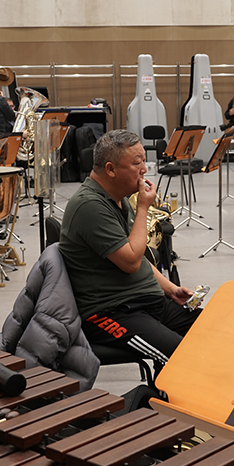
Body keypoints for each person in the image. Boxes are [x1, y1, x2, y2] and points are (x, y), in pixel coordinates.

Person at [60, 130, 199, 365]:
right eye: (137, 163)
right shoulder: (89, 205)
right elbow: (132, 262)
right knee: (182, 359)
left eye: (144, 160)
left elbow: (139, 256)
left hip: (146, 302)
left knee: (213, 331)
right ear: (111, 169)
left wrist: (171, 289)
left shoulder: (119, 198)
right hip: (111, 312)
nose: (144, 169)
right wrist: (143, 208)